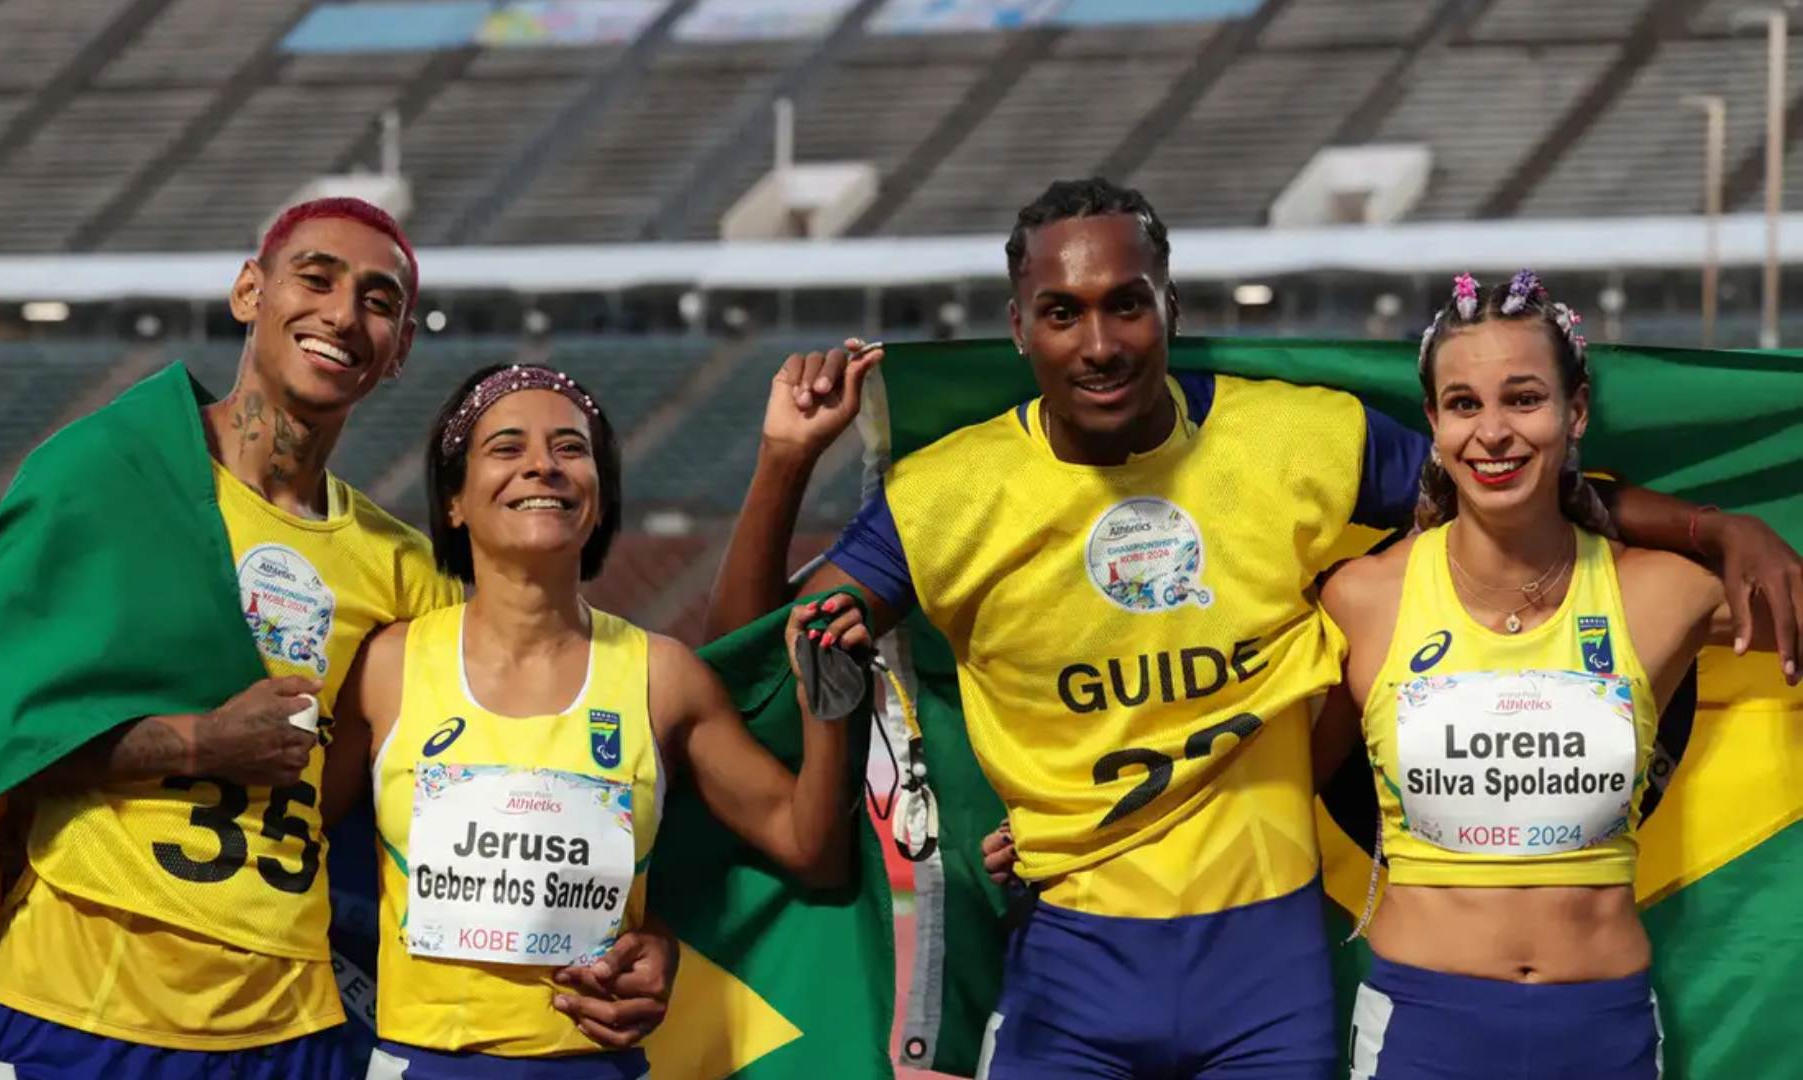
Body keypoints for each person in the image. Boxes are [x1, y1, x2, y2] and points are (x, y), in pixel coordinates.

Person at [706, 177, 1803, 1080]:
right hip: (1070, 954)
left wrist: (1716, 529)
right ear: (1020, 328)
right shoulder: (944, 498)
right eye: (1063, 312)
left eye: (1127, 303)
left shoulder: (1302, 442)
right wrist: (782, 464)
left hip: (1267, 965)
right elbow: (748, 663)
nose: (1099, 341)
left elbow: (1508, 480)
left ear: (1170, 307)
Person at [0, 198, 673, 1080]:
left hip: (291, 1033)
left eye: (378, 300)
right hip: (76, 1011)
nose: (342, 314)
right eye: (316, 279)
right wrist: (198, 741)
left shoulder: (401, 570)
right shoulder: (109, 482)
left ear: (401, 346)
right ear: (249, 291)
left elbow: (561, 769)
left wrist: (653, 929)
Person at [330, 363, 868, 1080]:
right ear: (454, 500)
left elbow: (812, 850)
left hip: (594, 1065)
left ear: (601, 495)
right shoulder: (386, 669)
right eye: (507, 447)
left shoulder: (663, 678)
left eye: (570, 449)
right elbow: (305, 852)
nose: (542, 467)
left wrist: (829, 711)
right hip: (420, 1063)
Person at [1316, 272, 1780, 1079]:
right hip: (1423, 1027)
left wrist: (1742, 534)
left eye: (1523, 399)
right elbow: (1257, 785)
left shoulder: (1662, 593)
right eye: (1464, 404)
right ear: (1433, 422)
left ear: (1576, 412)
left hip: (1601, 1028)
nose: (1492, 432)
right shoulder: (1363, 598)